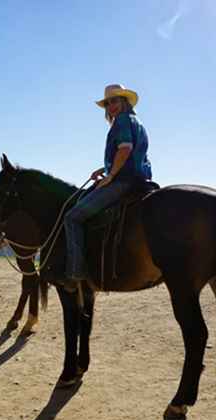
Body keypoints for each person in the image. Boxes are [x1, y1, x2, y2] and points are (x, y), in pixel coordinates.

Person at [63, 84, 153, 284]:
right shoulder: (136, 121)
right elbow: (132, 154)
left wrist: (110, 175)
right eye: (108, 103)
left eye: (115, 100)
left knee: (72, 217)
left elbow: (125, 149)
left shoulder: (121, 120)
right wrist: (103, 169)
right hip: (141, 180)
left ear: (124, 101)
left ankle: (76, 273)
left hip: (123, 182)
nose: (111, 106)